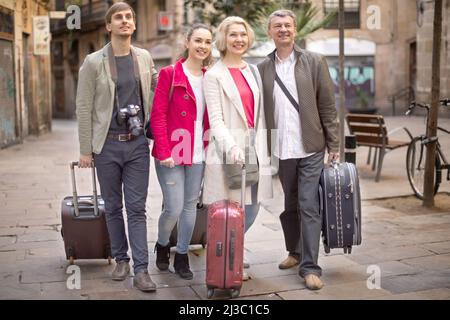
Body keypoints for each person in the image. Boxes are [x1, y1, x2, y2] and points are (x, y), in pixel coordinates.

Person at [75, 2, 158, 292]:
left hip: (136, 146)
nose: (125, 21)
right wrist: (86, 149)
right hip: (106, 146)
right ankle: (121, 259)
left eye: (129, 17)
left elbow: (155, 90)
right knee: (113, 207)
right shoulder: (94, 62)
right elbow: (83, 106)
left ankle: (142, 269)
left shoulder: (144, 57)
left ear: (133, 24)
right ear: (109, 26)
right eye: (118, 18)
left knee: (136, 209)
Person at [258, 9, 339, 290]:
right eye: (277, 26)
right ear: (270, 32)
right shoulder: (261, 68)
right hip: (282, 148)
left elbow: (328, 105)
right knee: (290, 206)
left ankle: (310, 267)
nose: (283, 30)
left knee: (308, 204)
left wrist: (334, 143)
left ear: (296, 30)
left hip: (311, 146)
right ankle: (294, 252)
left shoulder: (314, 61)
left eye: (288, 25)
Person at [203, 16, 273, 281]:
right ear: (223, 39)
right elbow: (216, 119)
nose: (239, 39)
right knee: (231, 206)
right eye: (233, 35)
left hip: (255, 147)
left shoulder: (252, 71)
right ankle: (227, 258)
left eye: (243, 35)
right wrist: (231, 147)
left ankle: (231, 251)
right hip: (228, 150)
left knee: (252, 206)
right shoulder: (214, 75)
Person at [150, 24, 213, 280]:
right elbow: (158, 115)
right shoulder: (170, 73)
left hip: (199, 150)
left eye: (207, 42)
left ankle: (183, 255)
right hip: (173, 151)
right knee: (173, 207)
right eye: (198, 40)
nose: (203, 46)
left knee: (190, 207)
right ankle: (163, 243)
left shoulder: (212, 76)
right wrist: (164, 150)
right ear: (187, 42)